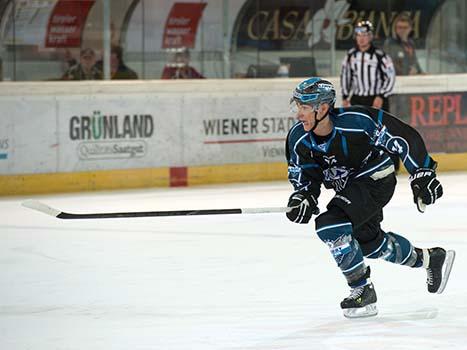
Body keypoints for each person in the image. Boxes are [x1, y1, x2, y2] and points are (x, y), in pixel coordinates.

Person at [285, 77, 455, 318]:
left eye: (304, 108)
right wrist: (303, 197)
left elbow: (403, 137)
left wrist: (422, 172)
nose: (298, 114)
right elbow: (305, 177)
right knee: (369, 244)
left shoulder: (357, 121)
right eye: (298, 107)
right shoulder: (298, 139)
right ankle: (429, 259)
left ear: (322, 109)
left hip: (376, 179)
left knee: (330, 224)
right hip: (350, 191)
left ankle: (362, 290)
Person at [341, 20, 398, 171]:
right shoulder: (350, 56)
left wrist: (381, 95)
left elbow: (391, 76)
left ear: (371, 36)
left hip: (377, 98)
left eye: (365, 35)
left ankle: (392, 165)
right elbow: (346, 76)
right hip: (358, 98)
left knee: (383, 131)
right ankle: (361, 165)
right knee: (357, 133)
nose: (361, 38)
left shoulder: (380, 56)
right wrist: (346, 97)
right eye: (358, 35)